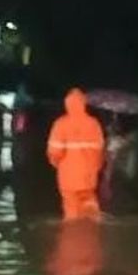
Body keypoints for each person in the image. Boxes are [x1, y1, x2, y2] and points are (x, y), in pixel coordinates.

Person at [47, 88, 105, 221]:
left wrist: (56, 164)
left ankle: (72, 237)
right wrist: (95, 168)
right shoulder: (93, 124)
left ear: (67, 104)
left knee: (71, 213)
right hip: (89, 177)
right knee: (91, 211)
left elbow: (54, 152)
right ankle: (93, 236)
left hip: (68, 178)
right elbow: (100, 151)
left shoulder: (61, 124)